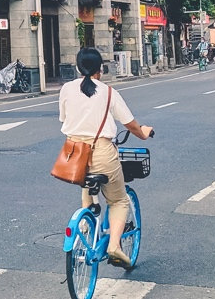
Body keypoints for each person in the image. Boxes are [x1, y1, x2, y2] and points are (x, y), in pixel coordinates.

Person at [58, 48, 153, 270]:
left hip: (74, 153)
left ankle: (86, 225)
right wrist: (144, 133)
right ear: (100, 69)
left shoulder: (66, 88)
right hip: (102, 152)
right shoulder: (108, 92)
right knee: (118, 200)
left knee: (86, 182)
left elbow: (64, 118)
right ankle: (113, 246)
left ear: (78, 67)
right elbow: (130, 123)